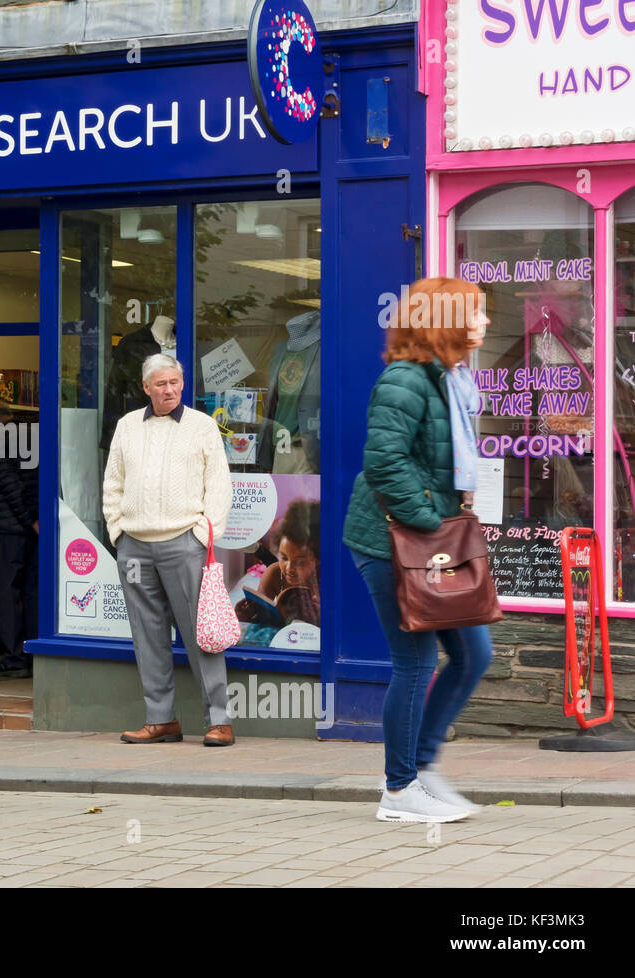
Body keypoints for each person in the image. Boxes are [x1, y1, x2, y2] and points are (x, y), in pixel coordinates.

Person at [342, 276, 493, 824]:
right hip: (392, 543)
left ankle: (421, 766)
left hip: (429, 541)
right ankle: (400, 789)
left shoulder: (449, 380)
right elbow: (384, 463)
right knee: (417, 660)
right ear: (445, 319)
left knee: (475, 653)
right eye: (475, 313)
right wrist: (433, 521)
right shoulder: (404, 380)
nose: (485, 323)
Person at [103, 353, 234, 747]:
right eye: (161, 384)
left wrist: (201, 534)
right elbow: (113, 484)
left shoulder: (202, 426)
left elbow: (220, 487)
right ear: (146, 388)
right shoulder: (127, 426)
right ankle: (161, 720)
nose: (170, 390)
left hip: (184, 543)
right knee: (147, 635)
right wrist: (118, 532)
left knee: (201, 633)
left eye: (175, 382)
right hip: (135, 546)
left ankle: (220, 720)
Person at [0, 399, 39, 679]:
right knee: (31, 592)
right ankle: (32, 652)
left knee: (6, 592)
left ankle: (15, 657)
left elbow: (9, 485)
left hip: (10, 528)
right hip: (33, 529)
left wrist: (29, 518)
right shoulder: (31, 436)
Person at [236, 499, 321, 631]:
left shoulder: (325, 579)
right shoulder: (274, 574)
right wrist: (246, 617)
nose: (289, 568)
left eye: (300, 562)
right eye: (284, 557)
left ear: (317, 559)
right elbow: (261, 622)